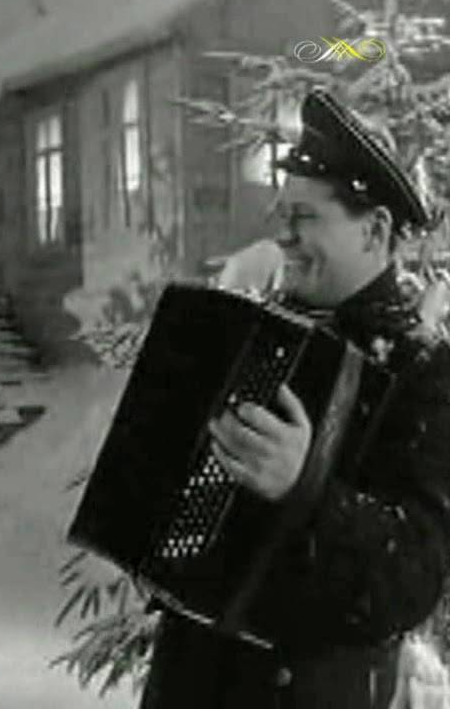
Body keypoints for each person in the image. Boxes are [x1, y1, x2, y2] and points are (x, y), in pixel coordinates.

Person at [140, 88, 450, 708]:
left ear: (375, 230)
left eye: (304, 217)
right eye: (281, 214)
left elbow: (413, 579)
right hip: (191, 682)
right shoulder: (252, 335)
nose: (282, 236)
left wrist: (306, 488)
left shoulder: (425, 371)